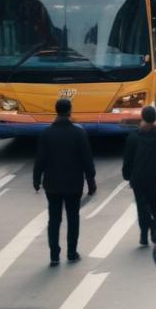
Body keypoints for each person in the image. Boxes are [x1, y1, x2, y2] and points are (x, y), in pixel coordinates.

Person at [32, 98, 97, 265]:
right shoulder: (78, 133)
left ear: (56, 110)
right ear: (70, 111)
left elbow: (40, 159)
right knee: (73, 218)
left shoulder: (46, 134)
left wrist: (36, 179)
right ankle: (71, 252)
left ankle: (54, 255)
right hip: (73, 184)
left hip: (52, 185)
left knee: (54, 219)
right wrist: (91, 181)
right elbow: (87, 160)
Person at [122, 104, 156, 246]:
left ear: (142, 117)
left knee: (142, 205)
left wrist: (127, 175)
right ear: (155, 118)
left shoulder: (133, 137)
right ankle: (155, 230)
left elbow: (128, 159)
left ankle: (144, 234)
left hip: (138, 179)